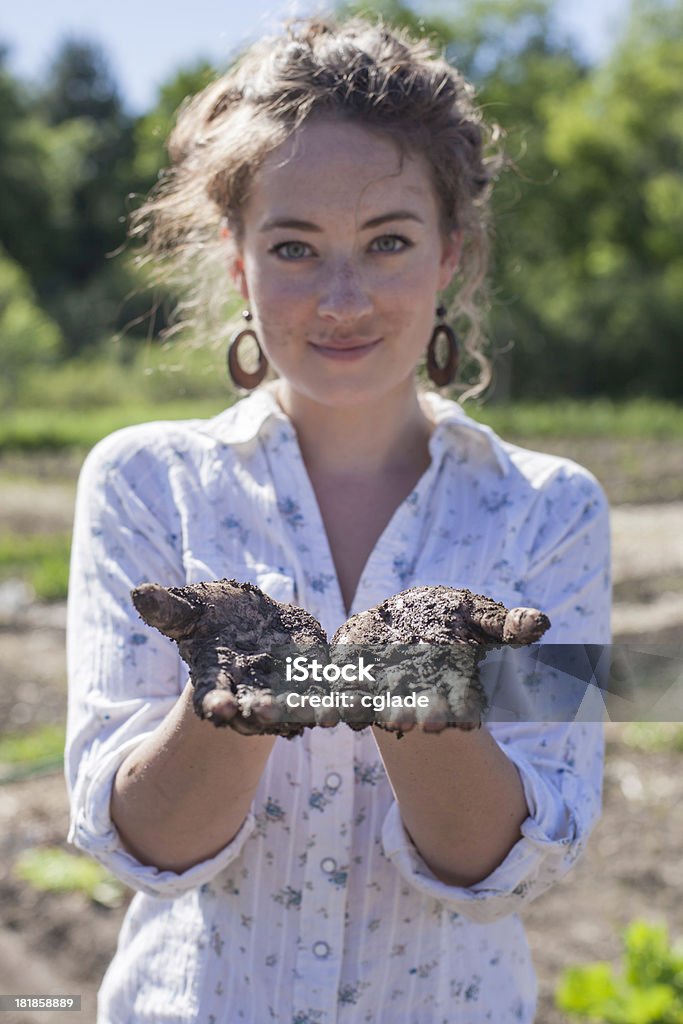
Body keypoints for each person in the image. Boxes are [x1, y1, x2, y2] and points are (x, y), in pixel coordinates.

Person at [65, 16, 611, 1024]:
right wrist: (227, 703)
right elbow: (136, 840)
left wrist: (426, 701)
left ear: (450, 252)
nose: (343, 295)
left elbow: (526, 859)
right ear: (237, 260)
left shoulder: (554, 512)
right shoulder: (145, 482)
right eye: (294, 247)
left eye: (387, 241)